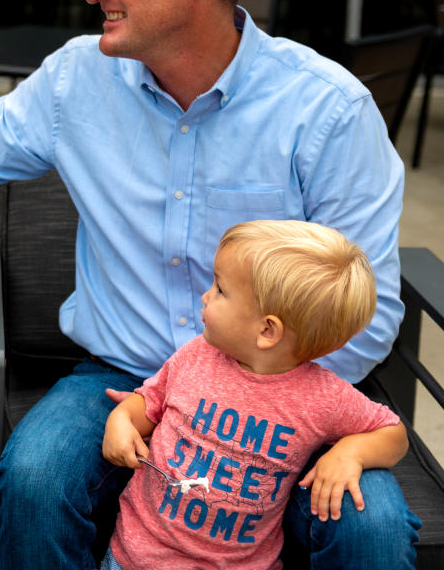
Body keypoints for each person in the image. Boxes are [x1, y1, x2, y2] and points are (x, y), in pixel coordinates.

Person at [0, 0, 419, 568]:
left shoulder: (327, 110)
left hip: (288, 392)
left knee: (369, 530)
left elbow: (369, 311)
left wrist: (246, 406)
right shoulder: (78, 77)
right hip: (118, 374)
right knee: (37, 478)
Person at [101, 220, 408, 570]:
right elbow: (149, 403)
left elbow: (393, 433)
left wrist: (351, 453)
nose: (205, 295)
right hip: (135, 558)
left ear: (267, 330)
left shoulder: (325, 398)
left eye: (220, 289)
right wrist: (121, 418)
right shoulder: (195, 356)